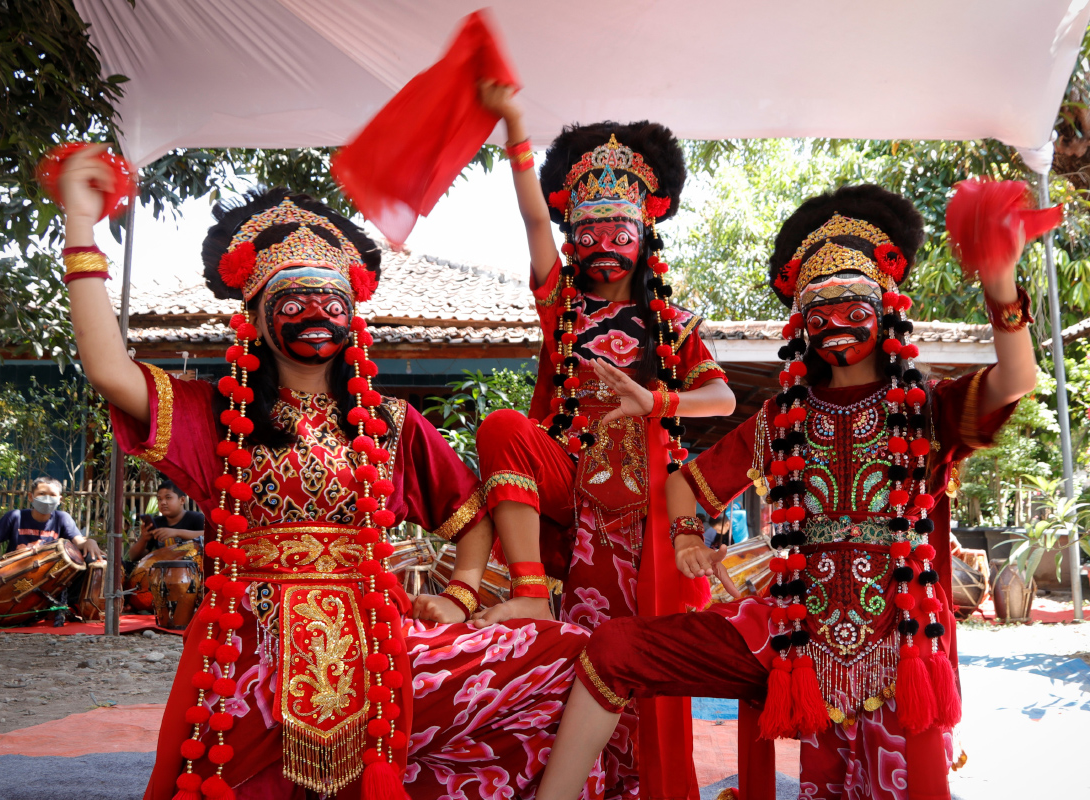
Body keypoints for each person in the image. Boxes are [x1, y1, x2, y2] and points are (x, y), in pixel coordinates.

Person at [56, 146, 594, 800]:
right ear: (255, 316)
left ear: (352, 315)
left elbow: (472, 516)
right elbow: (111, 371)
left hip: (369, 643)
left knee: (563, 658)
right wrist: (80, 225)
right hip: (246, 647)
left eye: (331, 301)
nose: (317, 314)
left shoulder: (389, 424)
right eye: (295, 301)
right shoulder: (216, 415)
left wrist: (459, 596)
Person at [533, 184, 1035, 800]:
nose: (835, 326)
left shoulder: (926, 407)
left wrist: (1001, 280)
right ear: (799, 324)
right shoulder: (782, 418)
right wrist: (688, 536)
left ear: (885, 308)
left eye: (853, 307)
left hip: (899, 648)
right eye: (817, 313)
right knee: (612, 648)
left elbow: (1016, 378)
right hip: (788, 638)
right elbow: (684, 483)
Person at [471, 83, 736, 799]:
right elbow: (531, 216)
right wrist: (516, 125)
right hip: (582, 504)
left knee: (651, 672)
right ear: (572, 237)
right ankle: (528, 591)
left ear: (645, 233)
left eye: (618, 232)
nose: (602, 246)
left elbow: (725, 396)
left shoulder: (672, 325)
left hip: (650, 516)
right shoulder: (561, 304)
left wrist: (657, 399)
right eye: (586, 232)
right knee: (588, 661)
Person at [0, 476, 104, 626]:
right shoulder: (15, 517)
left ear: (60, 499)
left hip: (48, 582)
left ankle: (68, 607)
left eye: (52, 495)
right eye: (41, 493)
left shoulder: (62, 518)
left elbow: (79, 541)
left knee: (88, 560)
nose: (47, 498)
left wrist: (90, 542)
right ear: (31, 496)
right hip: (9, 578)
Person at [126, 480, 205, 571]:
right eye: (159, 499)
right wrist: (143, 539)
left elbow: (209, 537)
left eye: (168, 498)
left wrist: (177, 532)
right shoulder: (157, 523)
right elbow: (133, 557)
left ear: (182, 500)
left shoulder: (196, 518)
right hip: (162, 575)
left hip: (193, 573)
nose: (163, 502)